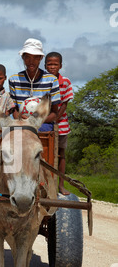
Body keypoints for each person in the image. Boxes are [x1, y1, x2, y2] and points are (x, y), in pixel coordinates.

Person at [9, 38, 61, 131]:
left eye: (35, 57)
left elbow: (54, 113)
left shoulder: (51, 80)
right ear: (23, 57)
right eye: (27, 57)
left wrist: (37, 121)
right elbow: (14, 111)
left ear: (40, 58)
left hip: (43, 124)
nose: (31, 61)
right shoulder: (14, 79)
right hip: (21, 122)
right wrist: (21, 119)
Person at [45, 52, 73, 195]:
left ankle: (60, 185)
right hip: (44, 122)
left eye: (55, 64)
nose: (52, 66)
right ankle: (45, 184)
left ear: (60, 66)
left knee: (61, 154)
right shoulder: (43, 81)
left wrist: (55, 118)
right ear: (45, 65)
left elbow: (64, 104)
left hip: (61, 124)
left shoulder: (65, 82)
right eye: (49, 64)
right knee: (45, 154)